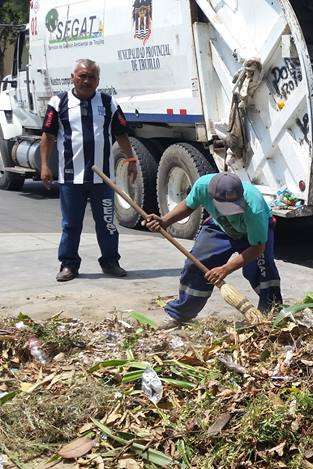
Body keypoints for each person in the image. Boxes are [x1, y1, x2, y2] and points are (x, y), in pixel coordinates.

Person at [40, 59, 137, 282]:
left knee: (107, 223)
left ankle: (110, 261)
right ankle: (69, 264)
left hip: (103, 179)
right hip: (71, 178)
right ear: (72, 77)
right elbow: (48, 135)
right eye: (82, 76)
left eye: (91, 77)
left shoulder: (107, 102)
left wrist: (131, 158)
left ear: (98, 81)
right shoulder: (59, 101)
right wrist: (45, 166)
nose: (86, 80)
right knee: (71, 224)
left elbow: (121, 133)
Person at [144, 172, 282, 329]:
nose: (232, 211)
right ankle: (181, 315)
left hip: (254, 234)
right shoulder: (202, 186)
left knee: (264, 272)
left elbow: (258, 247)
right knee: (195, 265)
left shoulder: (254, 208)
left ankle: (272, 315)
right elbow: (189, 205)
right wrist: (164, 221)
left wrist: (226, 269)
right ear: (212, 197)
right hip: (220, 227)